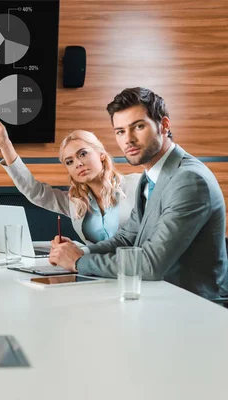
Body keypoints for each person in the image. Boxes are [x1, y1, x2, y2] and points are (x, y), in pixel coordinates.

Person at [48, 87, 228, 299]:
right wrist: (80, 251)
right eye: (120, 131)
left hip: (193, 306)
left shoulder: (188, 180)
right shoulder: (150, 176)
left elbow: (152, 264)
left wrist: (78, 262)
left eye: (138, 126)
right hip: (159, 297)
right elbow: (127, 238)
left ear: (164, 125)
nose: (128, 139)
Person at [0, 111, 140, 245]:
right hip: (96, 273)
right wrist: (5, 145)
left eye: (83, 154)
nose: (78, 163)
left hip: (137, 274)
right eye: (69, 161)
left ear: (101, 155)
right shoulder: (75, 202)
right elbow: (35, 192)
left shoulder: (137, 185)